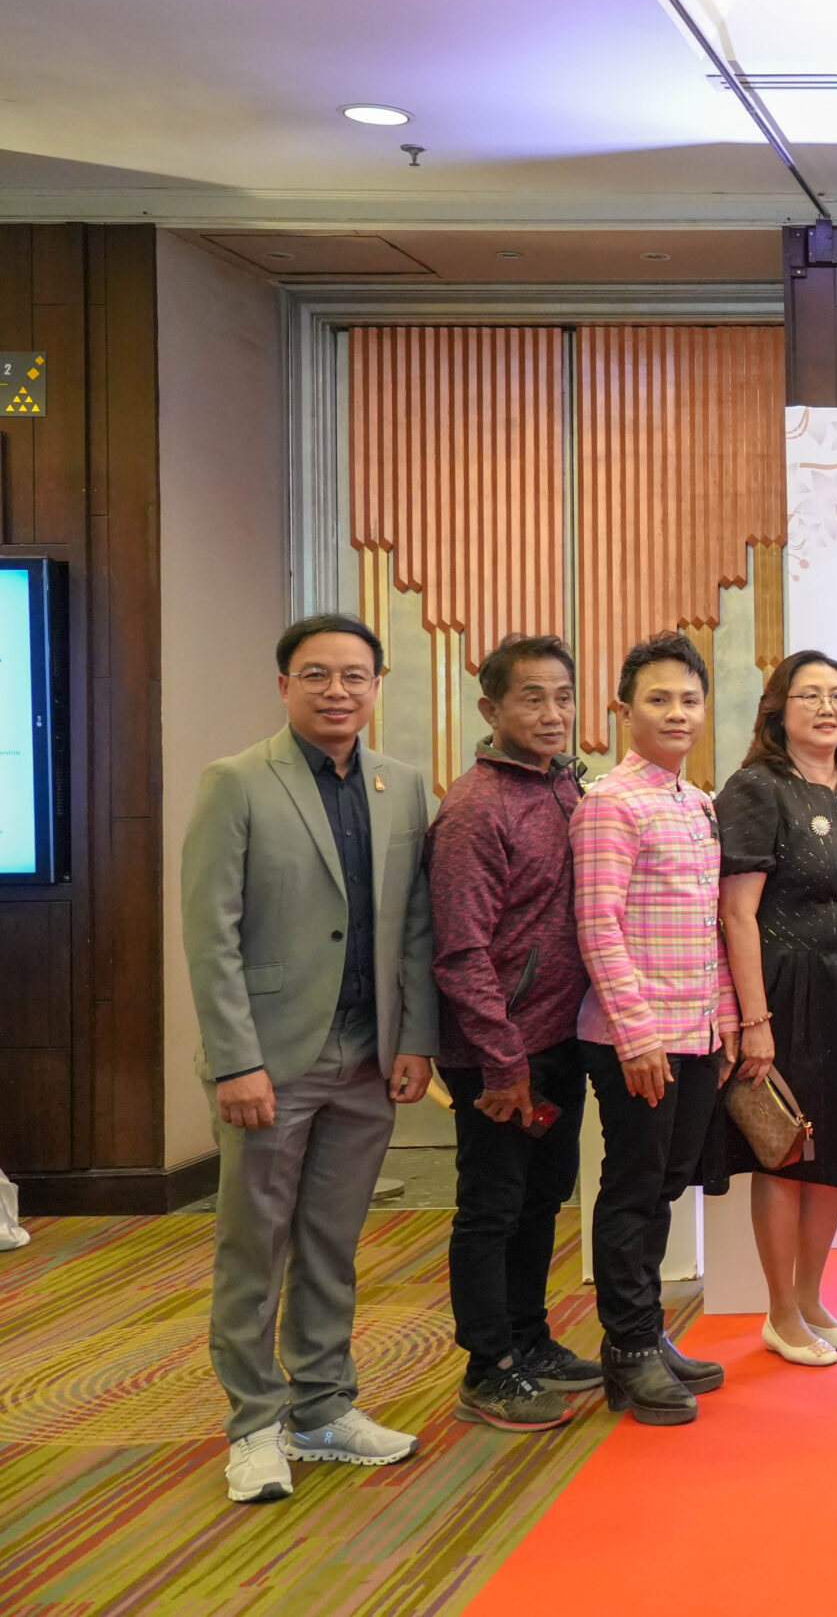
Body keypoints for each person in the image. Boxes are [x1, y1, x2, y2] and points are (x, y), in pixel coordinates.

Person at [181, 614, 438, 1503]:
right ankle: (254, 1423)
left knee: (332, 1241)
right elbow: (210, 934)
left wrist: (416, 1038)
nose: (337, 691)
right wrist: (234, 1061)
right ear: (284, 684)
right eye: (318, 674)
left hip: (369, 1055)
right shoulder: (237, 782)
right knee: (254, 1248)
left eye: (354, 675)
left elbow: (415, 923)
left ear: (376, 685)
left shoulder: (401, 784)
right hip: (271, 1061)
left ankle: (324, 1407)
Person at [425, 633, 597, 1433]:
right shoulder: (475, 808)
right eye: (533, 697)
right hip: (498, 1054)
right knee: (491, 1207)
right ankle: (487, 1367)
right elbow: (460, 952)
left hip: (559, 1040)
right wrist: (502, 1063)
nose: (553, 712)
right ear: (490, 708)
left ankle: (530, 1339)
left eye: (564, 696)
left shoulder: (566, 786)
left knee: (543, 1199)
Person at [574, 633, 739, 1426]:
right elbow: (596, 924)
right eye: (659, 698)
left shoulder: (697, 802)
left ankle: (648, 1332)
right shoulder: (611, 802)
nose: (678, 713)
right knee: (634, 1187)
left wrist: (726, 1016)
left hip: (697, 1031)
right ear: (625, 709)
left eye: (689, 699)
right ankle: (628, 1347)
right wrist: (638, 1036)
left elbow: (711, 926)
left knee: (666, 1185)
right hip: (636, 1039)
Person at [716, 651, 837, 1368]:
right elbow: (737, 913)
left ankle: (813, 1298)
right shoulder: (758, 788)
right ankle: (780, 1312)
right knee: (787, 1153)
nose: (828, 708)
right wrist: (754, 1020)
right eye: (811, 695)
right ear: (778, 709)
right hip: (788, 995)